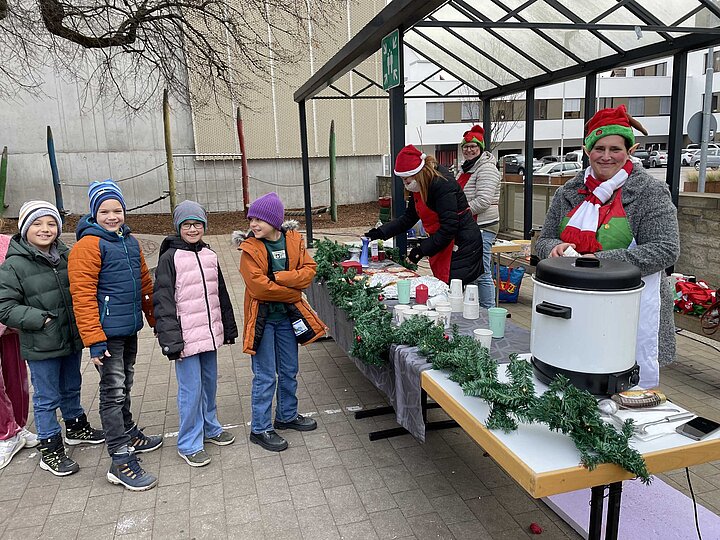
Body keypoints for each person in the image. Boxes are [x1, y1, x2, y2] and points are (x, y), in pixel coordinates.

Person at [535, 105, 680, 389]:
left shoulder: (649, 192)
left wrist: (597, 262)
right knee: (571, 376)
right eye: (599, 148)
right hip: (573, 304)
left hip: (627, 310)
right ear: (587, 150)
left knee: (618, 387)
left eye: (615, 148)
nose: (606, 156)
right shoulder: (568, 192)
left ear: (630, 150)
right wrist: (555, 248)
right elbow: (544, 240)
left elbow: (666, 248)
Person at [69, 180, 162, 491]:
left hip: (129, 328)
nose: (112, 216)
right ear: (94, 214)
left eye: (117, 210)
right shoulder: (88, 246)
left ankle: (129, 431)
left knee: (126, 384)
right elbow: (82, 296)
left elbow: (145, 284)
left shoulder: (130, 242)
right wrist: (94, 341)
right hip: (106, 337)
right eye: (105, 211)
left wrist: (155, 319)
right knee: (113, 392)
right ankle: (120, 460)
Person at [0, 201, 105, 476]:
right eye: (37, 224)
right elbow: (5, 306)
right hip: (41, 343)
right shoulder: (14, 265)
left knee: (72, 384)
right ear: (24, 229)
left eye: (51, 224)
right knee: (46, 397)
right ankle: (50, 447)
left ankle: (75, 426)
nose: (45, 229)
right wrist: (41, 320)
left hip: (70, 337)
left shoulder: (67, 256)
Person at [236, 192, 326, 452]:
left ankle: (286, 416)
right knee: (265, 376)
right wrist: (293, 291)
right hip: (264, 321)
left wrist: (282, 277)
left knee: (288, 370)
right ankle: (260, 428)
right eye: (251, 219)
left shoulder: (294, 241)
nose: (253, 224)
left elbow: (308, 272)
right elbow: (259, 289)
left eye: (259, 219)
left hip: (287, 318)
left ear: (274, 221)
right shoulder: (250, 248)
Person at [153, 200, 238, 467]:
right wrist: (171, 341)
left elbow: (220, 295)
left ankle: (210, 427)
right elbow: (163, 302)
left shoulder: (210, 255)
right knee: (191, 390)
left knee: (209, 385)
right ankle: (189, 442)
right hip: (185, 340)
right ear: (178, 227)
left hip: (210, 335)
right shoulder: (170, 258)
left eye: (197, 224)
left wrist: (227, 328)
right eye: (187, 224)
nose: (193, 229)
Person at [365, 144, 483, 285]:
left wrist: (421, 250)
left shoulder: (442, 184)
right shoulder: (419, 185)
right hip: (442, 243)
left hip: (462, 246)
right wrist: (378, 233)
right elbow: (408, 219)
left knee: (457, 293)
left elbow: (449, 228)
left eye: (406, 179)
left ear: (417, 173)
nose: (405, 183)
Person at [456, 125, 501, 308]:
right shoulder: (466, 169)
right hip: (470, 226)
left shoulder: (487, 169)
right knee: (472, 271)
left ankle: (489, 310)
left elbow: (483, 201)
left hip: (483, 226)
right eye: (465, 147)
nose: (469, 150)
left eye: (473, 146)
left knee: (482, 271)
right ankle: (474, 309)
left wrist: (458, 214)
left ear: (480, 148)